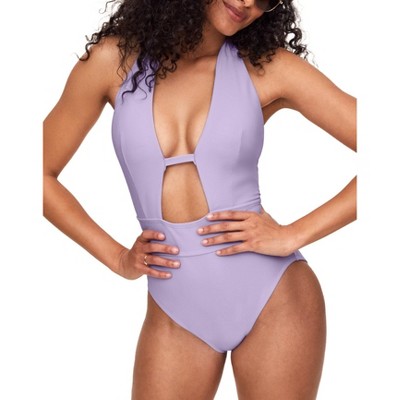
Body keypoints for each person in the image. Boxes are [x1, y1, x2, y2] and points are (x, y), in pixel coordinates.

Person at [43, 0, 356, 398]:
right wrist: (117, 258)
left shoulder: (266, 67)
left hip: (273, 298)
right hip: (174, 309)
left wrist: (293, 234)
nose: (248, 2)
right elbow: (36, 173)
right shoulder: (113, 61)